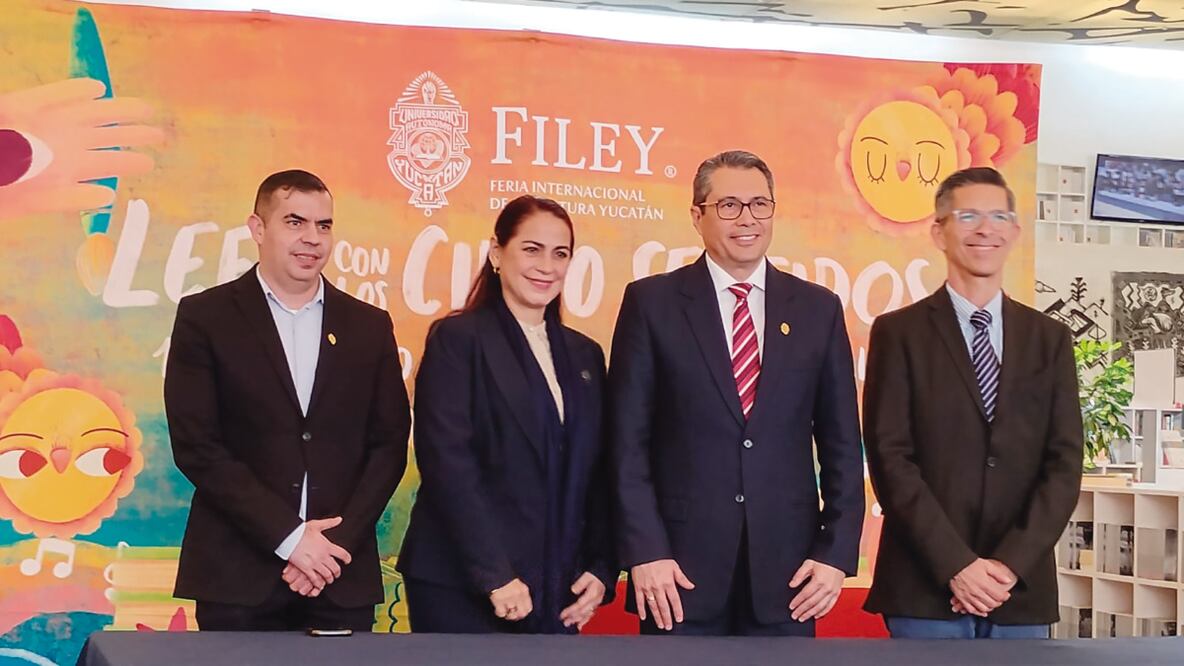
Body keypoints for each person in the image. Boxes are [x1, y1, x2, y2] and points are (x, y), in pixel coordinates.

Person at [609, 150, 864, 636]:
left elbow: (843, 448)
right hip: (676, 577)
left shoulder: (817, 309)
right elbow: (626, 444)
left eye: (758, 204)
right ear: (697, 216)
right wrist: (645, 551)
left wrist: (834, 555)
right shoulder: (652, 304)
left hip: (791, 578)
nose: (746, 219)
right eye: (728, 205)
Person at [165, 169, 410, 631]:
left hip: (339, 573)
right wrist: (292, 539)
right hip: (236, 577)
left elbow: (389, 446)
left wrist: (330, 547)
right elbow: (197, 446)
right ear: (258, 229)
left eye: (324, 225)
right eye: (295, 222)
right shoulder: (205, 318)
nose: (312, 239)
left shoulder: (368, 326)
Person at [862, 166, 1084, 639]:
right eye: (968, 216)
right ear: (938, 232)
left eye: (998, 217)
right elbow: (890, 459)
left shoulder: (1050, 339)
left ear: (1015, 232)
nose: (985, 229)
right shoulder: (899, 334)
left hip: (1018, 590)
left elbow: (1064, 463)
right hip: (924, 588)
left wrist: (1008, 566)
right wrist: (956, 565)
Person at [398, 195, 617, 634]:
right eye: (531, 249)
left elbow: (600, 470)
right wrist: (494, 575)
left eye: (560, 254)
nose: (547, 266)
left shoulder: (585, 355)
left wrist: (602, 566)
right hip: (462, 585)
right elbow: (448, 465)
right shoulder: (456, 340)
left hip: (557, 589)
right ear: (497, 254)